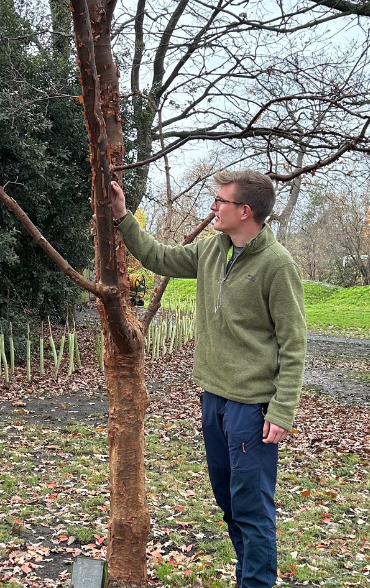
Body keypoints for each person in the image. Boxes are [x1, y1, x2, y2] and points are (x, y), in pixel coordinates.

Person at [110, 171, 307, 588]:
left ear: (245, 211)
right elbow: (158, 257)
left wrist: (283, 409)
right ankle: (246, 577)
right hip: (213, 398)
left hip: (252, 407)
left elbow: (294, 345)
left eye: (220, 200)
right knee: (228, 502)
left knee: (251, 507)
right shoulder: (211, 250)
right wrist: (123, 216)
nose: (213, 207)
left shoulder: (278, 265)